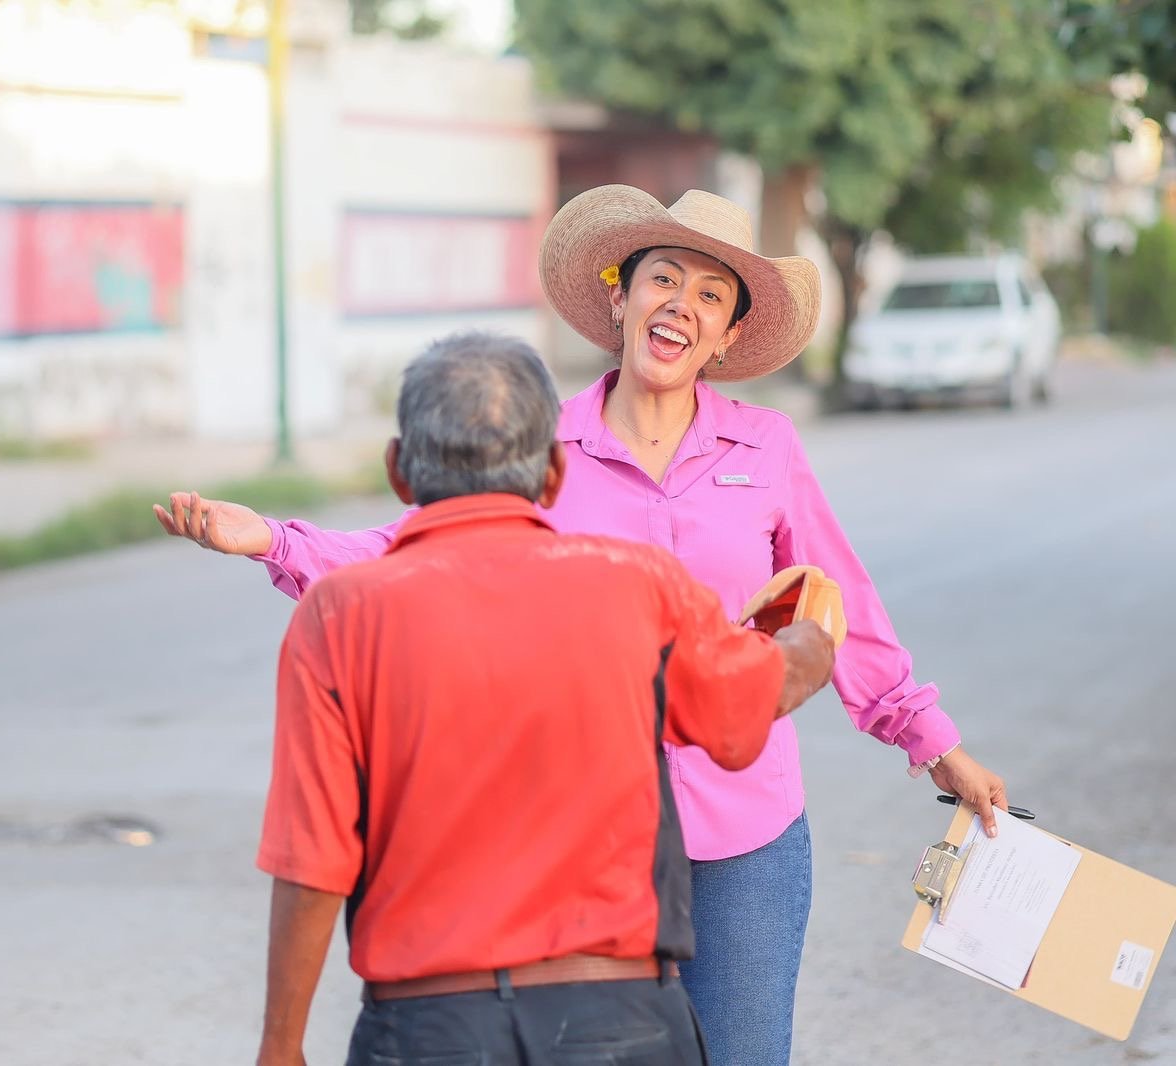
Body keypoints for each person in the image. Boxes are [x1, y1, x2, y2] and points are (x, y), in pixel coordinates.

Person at [157, 186, 1009, 1064]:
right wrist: (274, 540)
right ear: (620, 298)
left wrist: (934, 743)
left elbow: (844, 601)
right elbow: (414, 553)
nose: (681, 303)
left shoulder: (766, 449)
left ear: (723, 337)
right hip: (590, 842)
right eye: (662, 279)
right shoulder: (544, 448)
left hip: (743, 832)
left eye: (710, 296)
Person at [252, 332, 837, 1066]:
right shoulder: (637, 584)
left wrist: (281, 1044)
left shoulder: (340, 614)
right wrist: (806, 650)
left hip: (427, 1031)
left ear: (399, 472)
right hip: (618, 1025)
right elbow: (737, 715)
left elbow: (313, 859)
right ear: (555, 473)